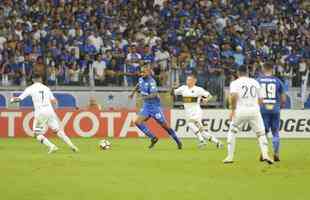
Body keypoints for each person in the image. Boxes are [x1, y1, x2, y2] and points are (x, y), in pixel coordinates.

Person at [10, 74, 79, 154]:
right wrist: (54, 109)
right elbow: (54, 101)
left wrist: (12, 100)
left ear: (33, 80)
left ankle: (52, 147)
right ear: (40, 79)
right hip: (50, 111)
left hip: (40, 112)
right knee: (57, 130)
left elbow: (19, 99)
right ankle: (72, 146)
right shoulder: (46, 88)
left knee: (37, 134)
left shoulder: (30, 88)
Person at [223, 65, 273, 164]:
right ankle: (265, 155)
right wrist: (255, 107)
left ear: (238, 73)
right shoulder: (255, 82)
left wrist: (232, 109)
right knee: (261, 133)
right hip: (254, 110)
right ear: (247, 72)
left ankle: (229, 157)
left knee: (232, 131)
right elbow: (261, 99)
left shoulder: (235, 83)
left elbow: (233, 96)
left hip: (240, 110)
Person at [129, 65, 182, 149]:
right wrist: (132, 93)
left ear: (149, 72)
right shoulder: (140, 79)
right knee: (137, 122)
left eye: (144, 72)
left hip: (155, 107)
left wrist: (143, 97)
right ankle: (153, 137)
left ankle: (177, 140)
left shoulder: (152, 82)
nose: (142, 73)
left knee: (165, 126)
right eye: (141, 72)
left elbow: (154, 94)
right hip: (146, 106)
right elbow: (138, 85)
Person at [172, 74, 223, 148]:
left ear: (194, 81)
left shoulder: (198, 89)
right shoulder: (183, 88)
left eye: (189, 80)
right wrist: (173, 86)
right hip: (188, 113)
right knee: (202, 132)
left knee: (190, 124)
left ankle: (202, 141)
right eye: (187, 79)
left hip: (196, 112)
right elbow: (173, 92)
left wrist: (206, 99)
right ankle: (218, 143)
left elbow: (209, 95)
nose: (188, 81)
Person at [257, 62, 286, 161]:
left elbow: (255, 96)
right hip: (275, 109)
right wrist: (280, 106)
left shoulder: (258, 80)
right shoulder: (278, 81)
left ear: (263, 69)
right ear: (272, 69)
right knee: (275, 132)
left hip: (263, 109)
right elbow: (283, 98)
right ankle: (276, 153)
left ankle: (263, 153)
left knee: (263, 133)